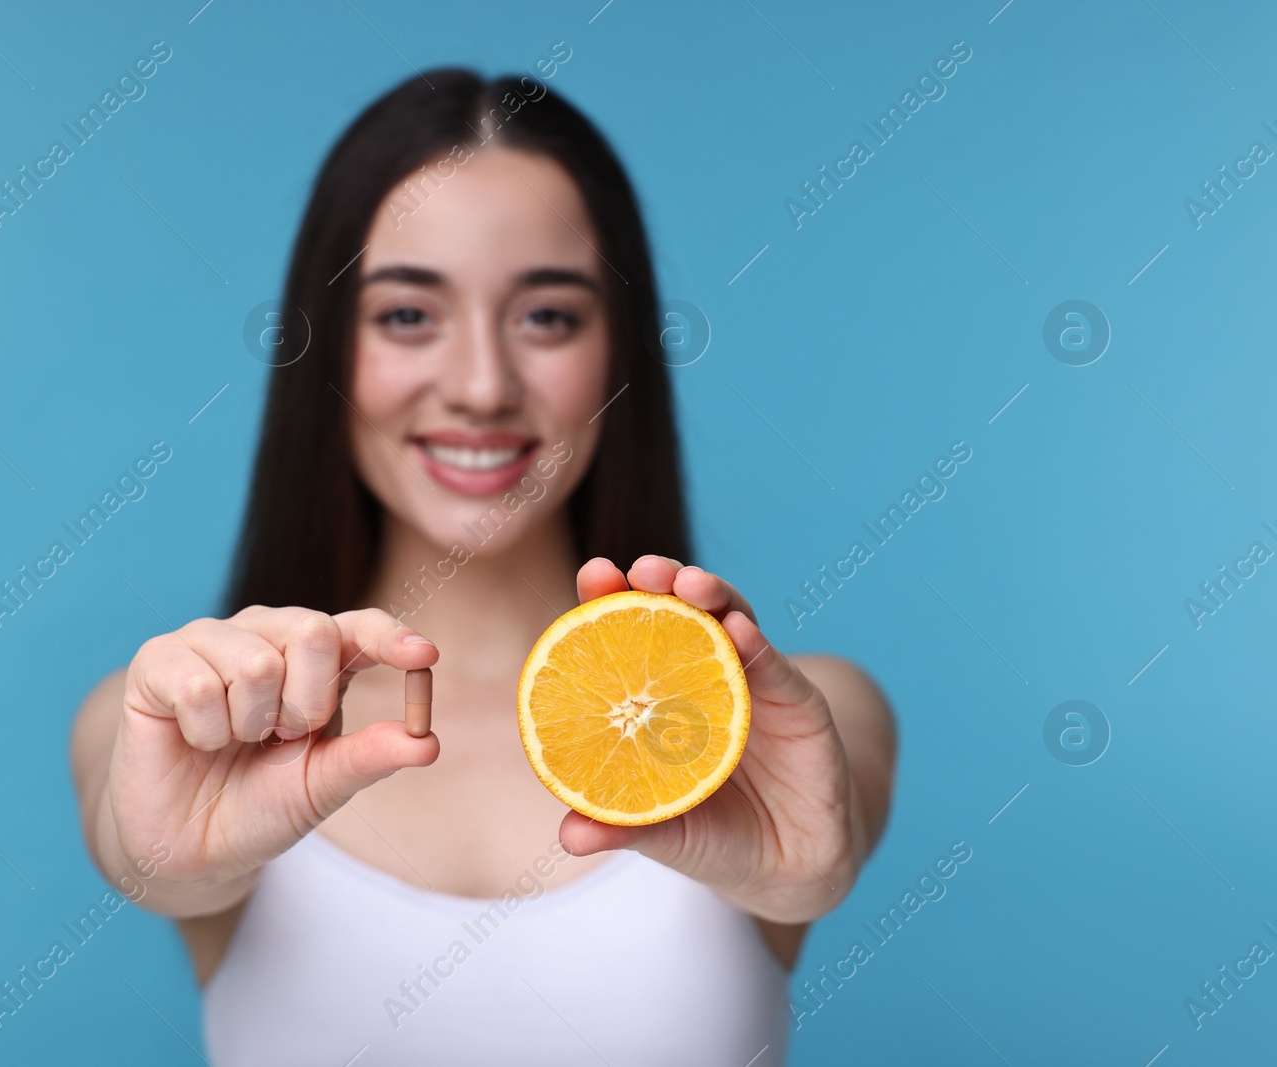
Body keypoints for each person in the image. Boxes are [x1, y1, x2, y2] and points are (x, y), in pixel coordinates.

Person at [71, 68, 895, 1066]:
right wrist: (161, 848)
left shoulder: (780, 732)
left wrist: (803, 874)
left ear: (618, 352)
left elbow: (813, 853)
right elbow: (160, 860)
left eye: (546, 315)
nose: (479, 385)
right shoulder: (183, 726)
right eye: (407, 315)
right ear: (327, 349)